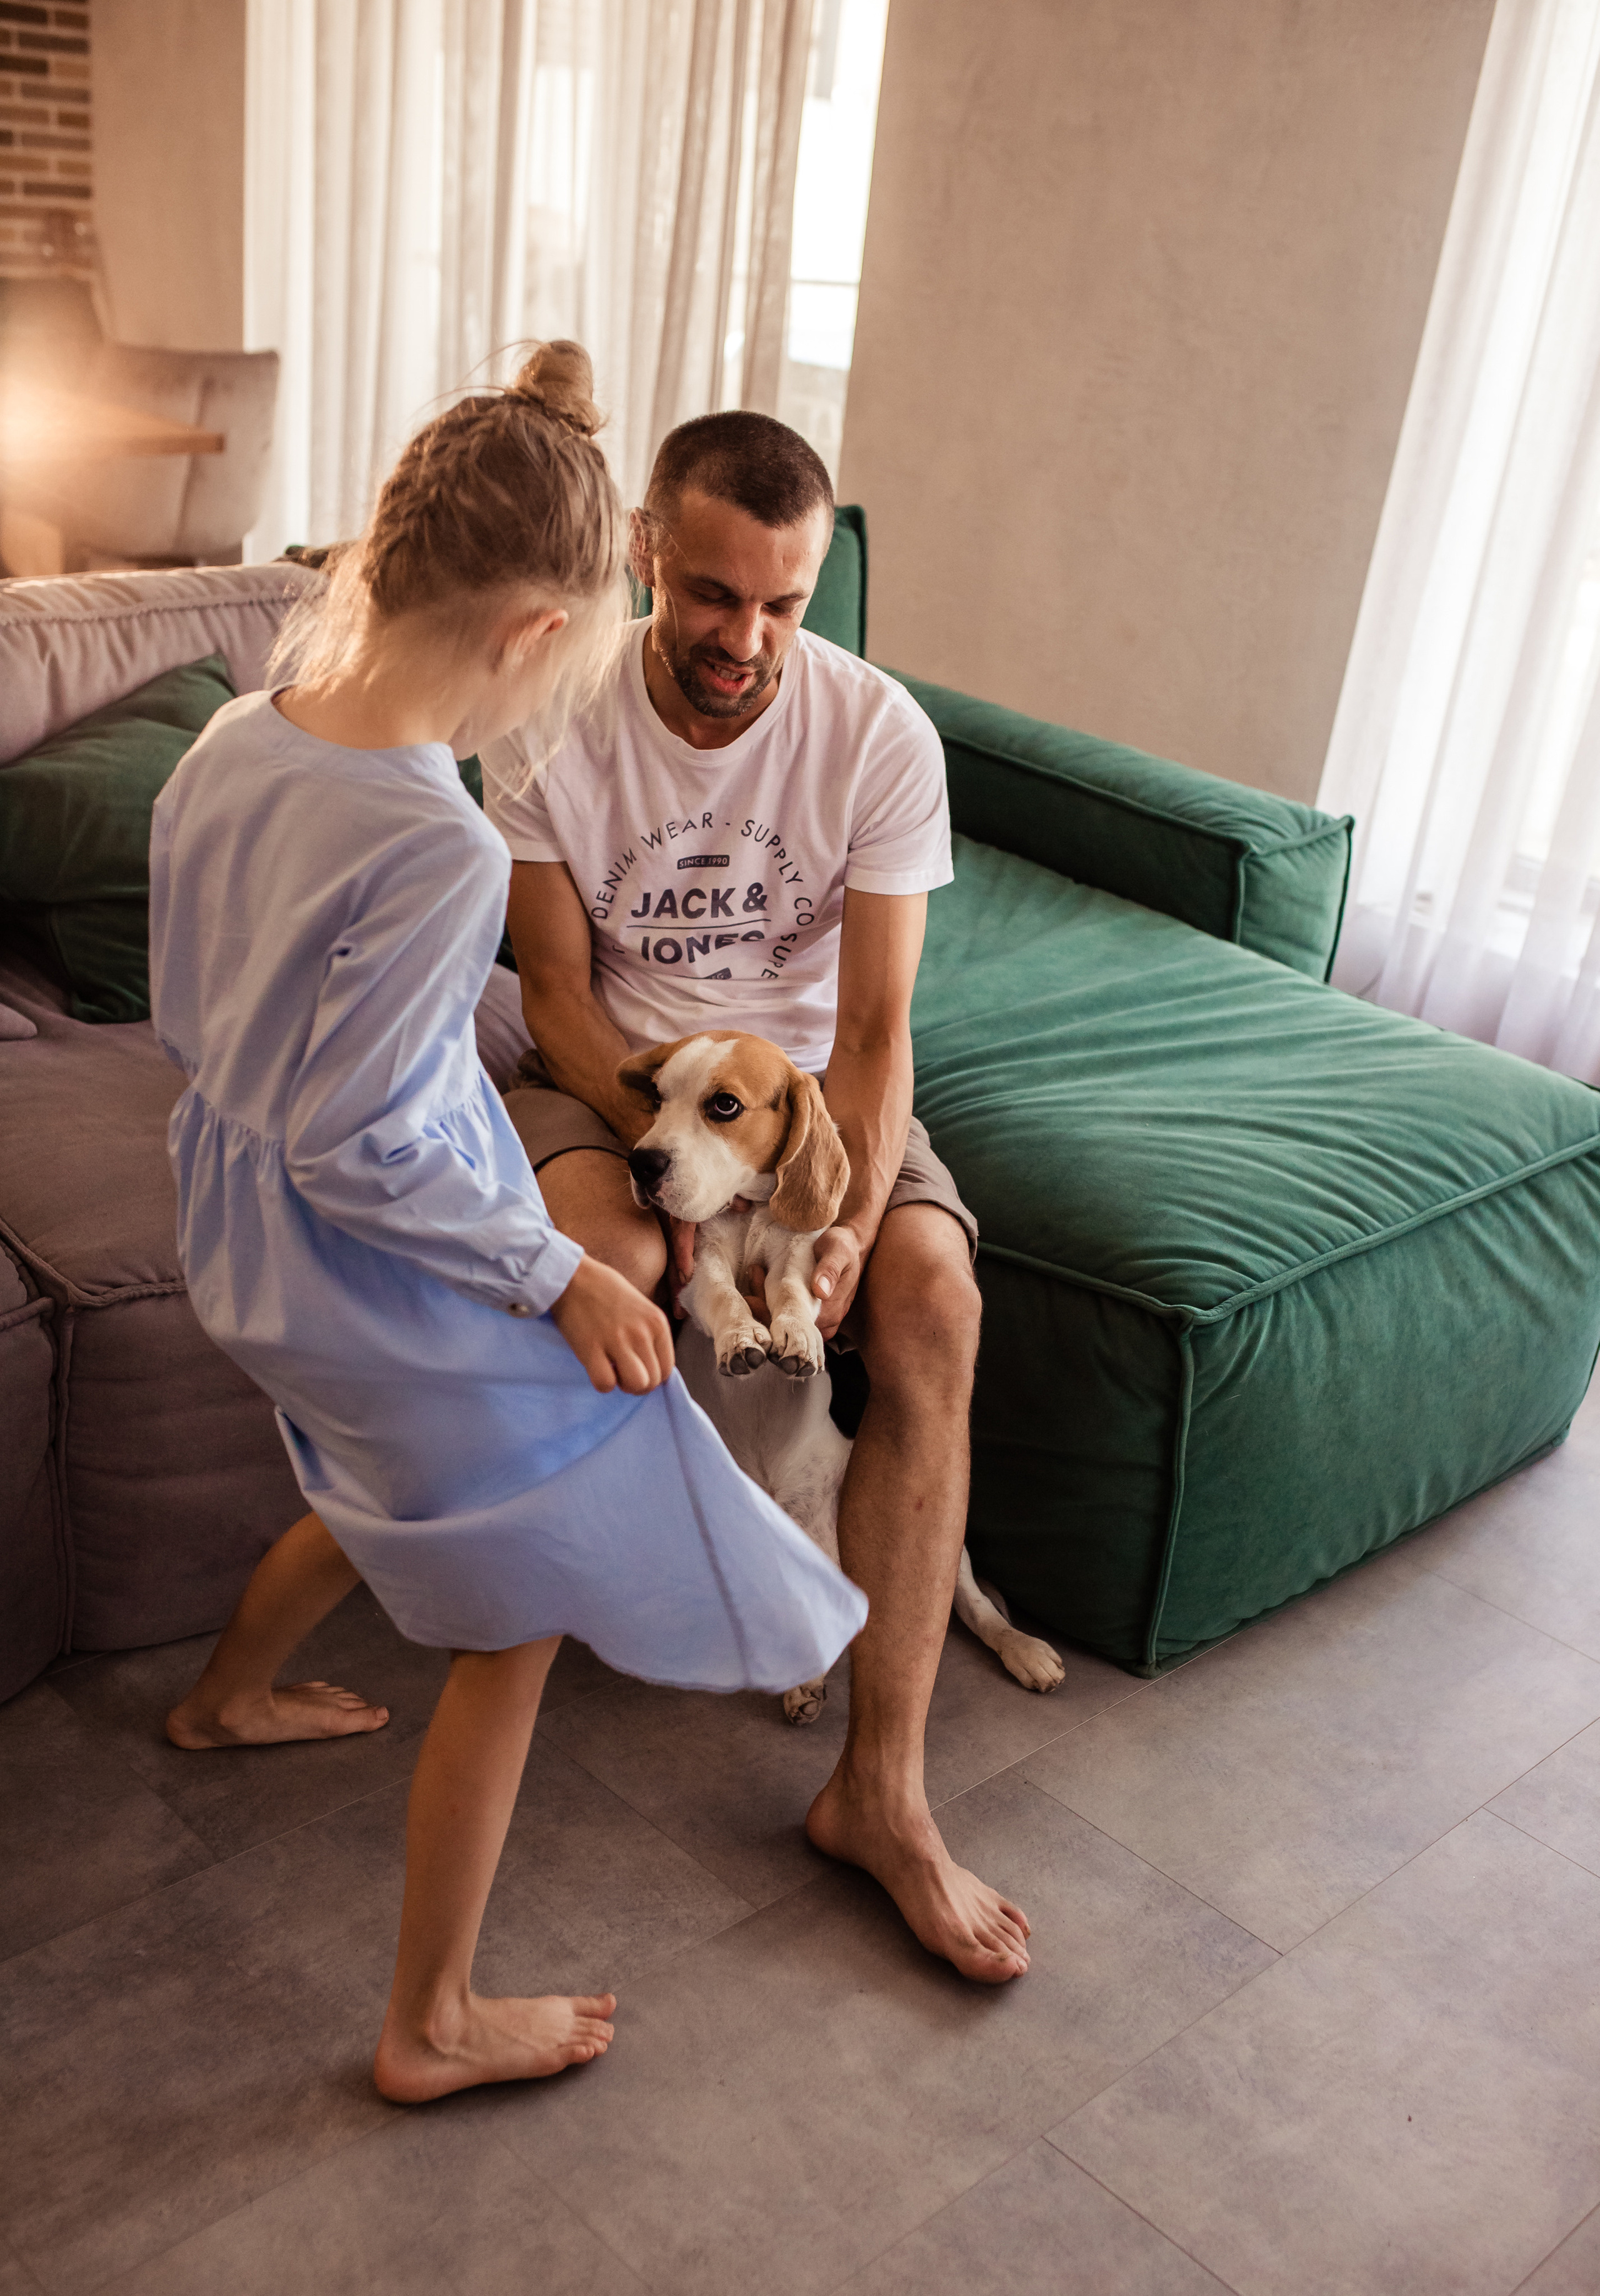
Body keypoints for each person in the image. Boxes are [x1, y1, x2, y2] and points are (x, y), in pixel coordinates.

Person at [151, 344, 867, 2104]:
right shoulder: (437, 844)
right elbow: (364, 1146)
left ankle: (220, 1700)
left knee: (405, 1472)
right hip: (343, 1246)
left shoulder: (242, 730)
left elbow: (236, 1042)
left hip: (231, 1215)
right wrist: (553, 1268)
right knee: (518, 1588)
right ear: (543, 632)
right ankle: (430, 2018)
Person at [479, 409, 1032, 1985]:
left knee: (931, 1300)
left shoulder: (876, 735)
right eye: (714, 596)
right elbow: (558, 997)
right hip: (628, 1081)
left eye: (784, 605)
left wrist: (832, 1218)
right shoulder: (552, 715)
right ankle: (582, 1594)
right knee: (607, 1244)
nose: (747, 639)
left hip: (800, 1102)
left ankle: (883, 1794)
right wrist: (690, 1176)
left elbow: (869, 1033)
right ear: (648, 550)